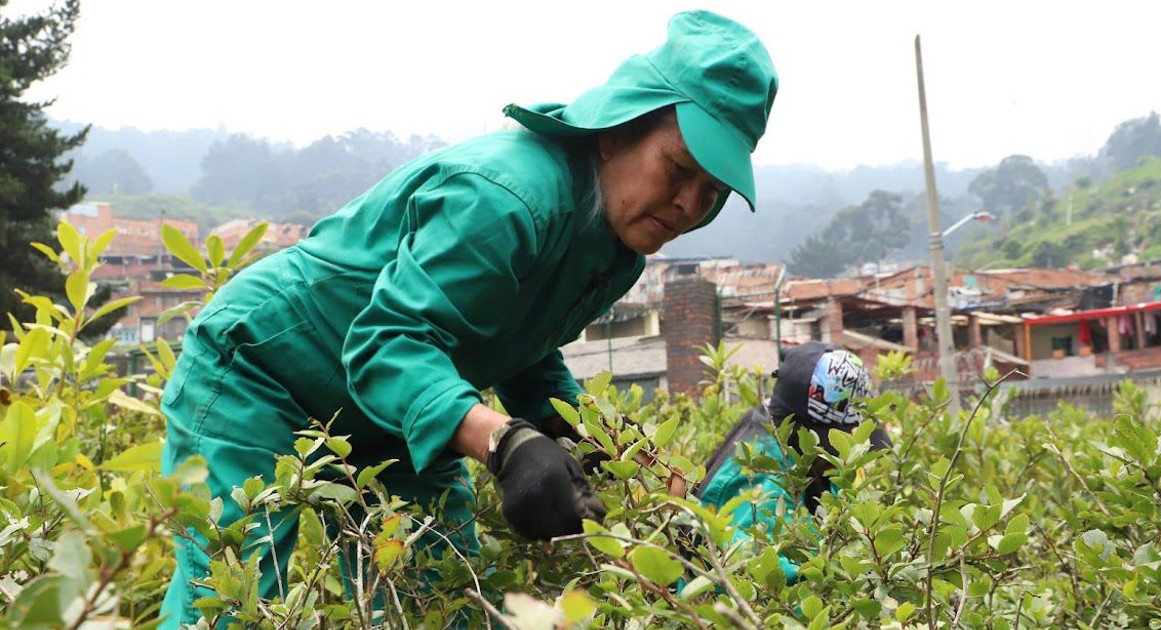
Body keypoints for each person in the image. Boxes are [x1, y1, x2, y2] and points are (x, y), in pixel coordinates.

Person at [157, 10, 778, 628]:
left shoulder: (616, 249)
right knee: (232, 599)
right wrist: (505, 443)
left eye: (714, 191)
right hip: (262, 369)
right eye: (679, 169)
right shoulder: (507, 199)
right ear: (615, 131)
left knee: (444, 596)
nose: (689, 206)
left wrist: (608, 454)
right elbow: (384, 342)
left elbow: (525, 350)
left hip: (396, 416)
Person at [696, 341, 892, 582]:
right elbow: (765, 576)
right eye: (836, 446)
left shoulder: (809, 464)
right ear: (801, 433)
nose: (844, 458)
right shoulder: (756, 475)